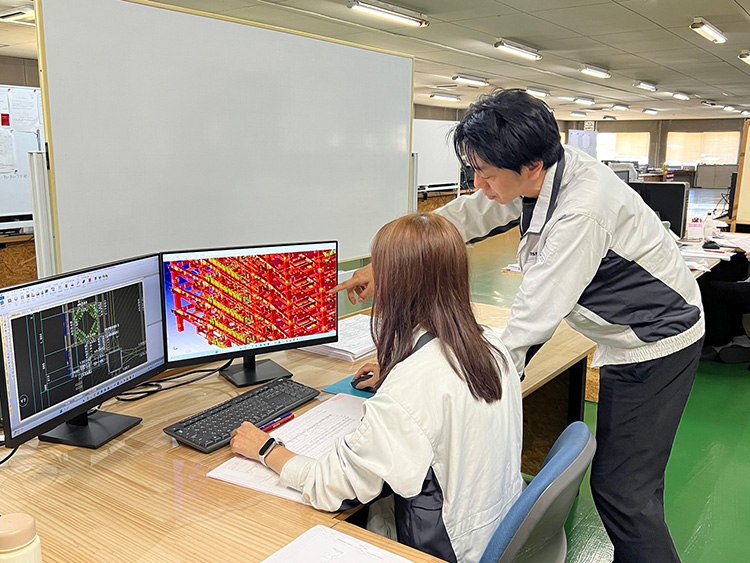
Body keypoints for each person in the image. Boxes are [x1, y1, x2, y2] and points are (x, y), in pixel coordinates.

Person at [333, 90, 704, 563]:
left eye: (487, 174)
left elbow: (529, 323)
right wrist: (385, 263)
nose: (479, 184)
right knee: (623, 488)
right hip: (623, 333)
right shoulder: (538, 174)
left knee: (625, 495)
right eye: (475, 170)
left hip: (656, 342)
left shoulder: (581, 212)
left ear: (531, 166)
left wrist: (419, 380)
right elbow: (466, 216)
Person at [231, 213, 524, 563]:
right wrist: (398, 369)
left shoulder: (412, 386)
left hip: (447, 552)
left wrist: (267, 449)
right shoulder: (492, 344)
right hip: (497, 529)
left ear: (392, 287)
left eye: (379, 270)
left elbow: (332, 487)